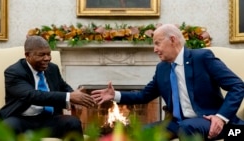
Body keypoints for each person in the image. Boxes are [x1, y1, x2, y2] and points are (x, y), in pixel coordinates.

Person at [91, 24, 244, 141]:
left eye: (157, 43)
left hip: (211, 121)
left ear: (172, 40)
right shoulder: (162, 69)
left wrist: (220, 117)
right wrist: (115, 95)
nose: (154, 49)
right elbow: (144, 95)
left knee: (187, 127)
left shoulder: (202, 58)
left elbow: (237, 86)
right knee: (142, 133)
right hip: (178, 123)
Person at [0, 36, 95, 140]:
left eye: (49, 54)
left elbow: (63, 86)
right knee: (9, 126)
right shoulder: (14, 72)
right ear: (27, 55)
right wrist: (69, 96)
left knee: (73, 122)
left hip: (48, 120)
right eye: (42, 55)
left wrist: (75, 95)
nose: (47, 58)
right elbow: (32, 95)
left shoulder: (52, 68)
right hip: (21, 119)